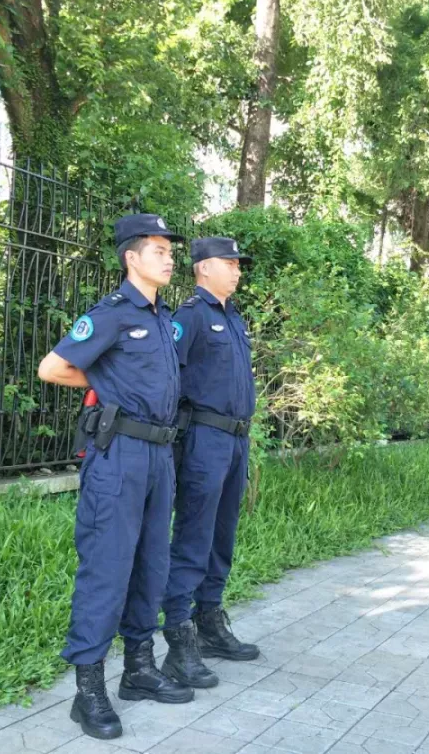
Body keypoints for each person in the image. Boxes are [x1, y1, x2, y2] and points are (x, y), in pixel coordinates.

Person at [37, 213, 192, 741]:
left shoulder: (162, 317)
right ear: (132, 257)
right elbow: (52, 368)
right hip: (120, 454)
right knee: (107, 568)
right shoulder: (111, 314)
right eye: (159, 251)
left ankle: (139, 669)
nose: (169, 259)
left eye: (171, 252)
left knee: (152, 563)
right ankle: (88, 690)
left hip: (159, 456)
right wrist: (108, 382)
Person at [160, 237, 260, 690]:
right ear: (203, 268)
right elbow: (168, 378)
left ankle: (210, 622)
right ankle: (178, 637)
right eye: (229, 263)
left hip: (236, 439)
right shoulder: (190, 317)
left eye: (239, 264)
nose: (237, 270)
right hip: (204, 438)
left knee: (222, 534)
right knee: (194, 535)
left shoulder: (234, 318)